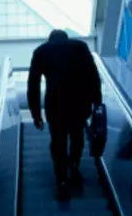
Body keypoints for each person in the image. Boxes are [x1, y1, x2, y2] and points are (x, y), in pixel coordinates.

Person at [27, 29, 102, 197]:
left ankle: (61, 178)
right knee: (77, 135)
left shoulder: (40, 51)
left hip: (55, 103)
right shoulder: (80, 47)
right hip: (79, 101)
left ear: (49, 39)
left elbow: (33, 84)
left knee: (58, 140)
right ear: (67, 38)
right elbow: (93, 74)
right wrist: (97, 100)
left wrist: (36, 114)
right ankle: (74, 164)